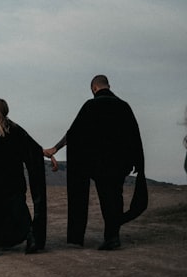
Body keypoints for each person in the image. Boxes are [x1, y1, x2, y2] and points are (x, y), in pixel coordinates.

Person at [43, 75, 145, 250]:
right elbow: (134, 134)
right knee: (115, 195)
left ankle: (110, 237)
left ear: (94, 89)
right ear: (108, 86)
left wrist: (56, 148)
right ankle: (113, 234)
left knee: (106, 197)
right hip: (120, 163)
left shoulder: (91, 106)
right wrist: (137, 160)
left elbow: (73, 133)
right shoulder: (123, 106)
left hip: (99, 163)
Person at [0, 98, 48, 259]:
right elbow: (32, 149)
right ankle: (31, 237)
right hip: (14, 181)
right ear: (6, 111)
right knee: (18, 212)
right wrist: (44, 153)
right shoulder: (15, 130)